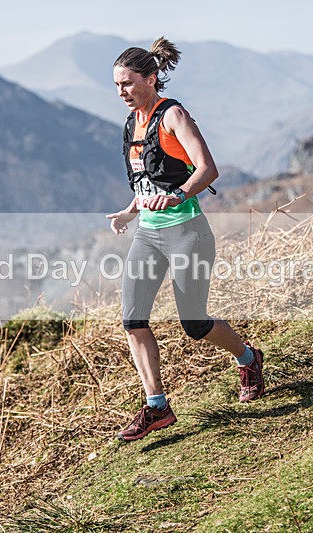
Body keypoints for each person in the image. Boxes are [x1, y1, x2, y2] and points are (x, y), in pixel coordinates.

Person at [106, 37, 265, 442]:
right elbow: (148, 179)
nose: (122, 93)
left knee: (194, 323)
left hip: (186, 233)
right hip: (148, 234)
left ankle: (248, 358)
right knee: (132, 320)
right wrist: (130, 210)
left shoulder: (173, 115)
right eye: (117, 86)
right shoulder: (132, 124)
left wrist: (177, 196)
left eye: (127, 83)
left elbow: (207, 169)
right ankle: (156, 407)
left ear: (151, 78)